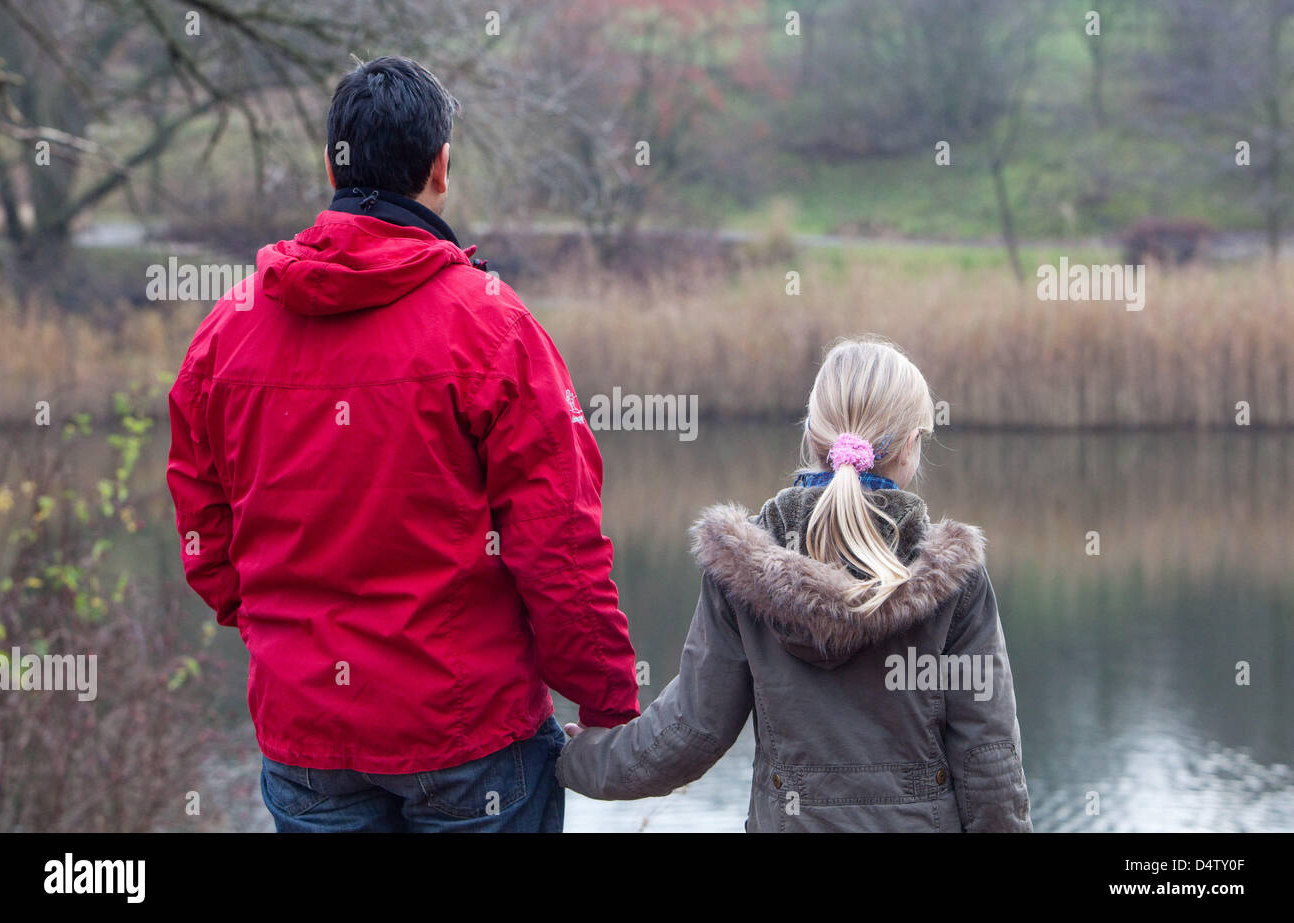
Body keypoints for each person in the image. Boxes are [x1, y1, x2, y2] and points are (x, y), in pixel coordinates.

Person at [165, 55, 639, 833]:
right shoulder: (493, 325)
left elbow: (203, 527)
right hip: (471, 736)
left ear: (330, 165)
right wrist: (609, 699)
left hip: (309, 735)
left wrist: (276, 633)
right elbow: (560, 544)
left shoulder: (228, 331)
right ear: (441, 168)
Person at [556, 336, 1031, 832]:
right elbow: (989, 760)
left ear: (810, 434)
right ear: (911, 448)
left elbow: (690, 732)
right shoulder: (954, 579)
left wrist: (576, 758)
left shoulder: (743, 569)